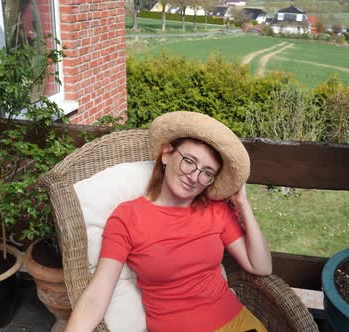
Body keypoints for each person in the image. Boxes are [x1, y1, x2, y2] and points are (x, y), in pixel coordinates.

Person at [65, 111, 272, 332]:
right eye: (189, 161)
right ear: (166, 154)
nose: (194, 176)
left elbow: (261, 266)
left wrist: (243, 204)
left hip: (238, 324)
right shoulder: (127, 218)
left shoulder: (216, 211)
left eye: (207, 173)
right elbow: (96, 297)